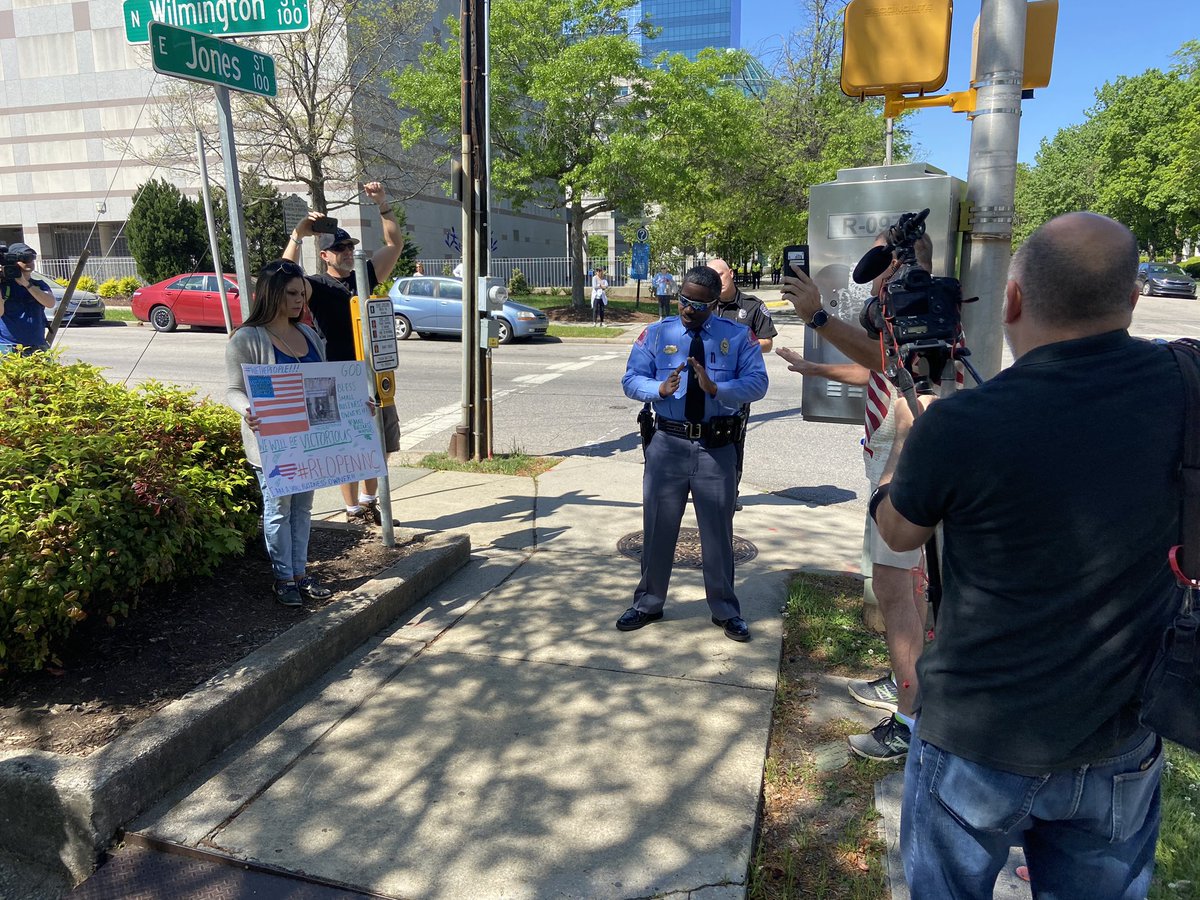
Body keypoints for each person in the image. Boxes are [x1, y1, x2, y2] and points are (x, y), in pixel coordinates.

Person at [873, 212, 1182, 899]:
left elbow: (897, 535)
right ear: (1132, 302)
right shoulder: (1188, 382)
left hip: (976, 743)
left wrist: (910, 423)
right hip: (1120, 741)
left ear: (1010, 301)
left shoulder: (960, 424)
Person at [778, 231, 936, 762]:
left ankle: (911, 721)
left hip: (907, 478)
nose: (867, 271)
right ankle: (903, 680)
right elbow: (877, 367)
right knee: (903, 587)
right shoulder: (911, 325)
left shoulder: (918, 322)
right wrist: (814, 367)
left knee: (896, 586)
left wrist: (819, 318)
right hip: (893, 472)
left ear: (899, 266)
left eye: (877, 259)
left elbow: (885, 358)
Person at [617, 265, 768, 642]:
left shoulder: (738, 337)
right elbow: (631, 380)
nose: (688, 309)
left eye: (699, 305)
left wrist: (716, 387)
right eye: (684, 300)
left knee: (718, 533)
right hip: (667, 444)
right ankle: (648, 602)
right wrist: (659, 389)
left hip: (716, 448)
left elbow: (757, 383)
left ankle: (725, 610)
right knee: (658, 528)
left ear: (715, 303)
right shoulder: (656, 334)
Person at [281, 181, 403, 527]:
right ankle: (352, 510)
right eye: (340, 248)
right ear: (325, 255)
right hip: (336, 376)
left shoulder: (365, 275)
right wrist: (298, 234)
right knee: (345, 447)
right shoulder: (315, 286)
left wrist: (382, 204)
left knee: (381, 441)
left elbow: (394, 244)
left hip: (373, 373)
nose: (347, 252)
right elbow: (282, 277)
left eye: (350, 247)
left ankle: (368, 501)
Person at [224, 259, 335, 608]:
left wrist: (354, 406)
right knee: (278, 509)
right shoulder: (247, 338)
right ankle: (283, 577)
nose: (299, 300)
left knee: (303, 508)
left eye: (302, 293)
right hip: (271, 445)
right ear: (271, 293)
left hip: (308, 441)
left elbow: (329, 384)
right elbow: (232, 389)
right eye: (291, 293)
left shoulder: (309, 334)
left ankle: (300, 574)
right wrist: (248, 410)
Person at [706, 257, 777, 512]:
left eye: (721, 275)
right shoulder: (706, 304)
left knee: (733, 439)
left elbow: (767, 342)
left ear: (731, 274)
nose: (717, 281)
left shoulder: (752, 306)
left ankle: (730, 491)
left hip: (737, 385)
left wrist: (738, 347)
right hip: (706, 383)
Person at [0, 242, 54, 355]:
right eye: (24, 259)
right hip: (10, 347)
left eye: (31, 259)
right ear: (13, 262)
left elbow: (50, 303)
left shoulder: (38, 284)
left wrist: (26, 284)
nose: (29, 262)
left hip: (38, 346)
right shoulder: (5, 286)